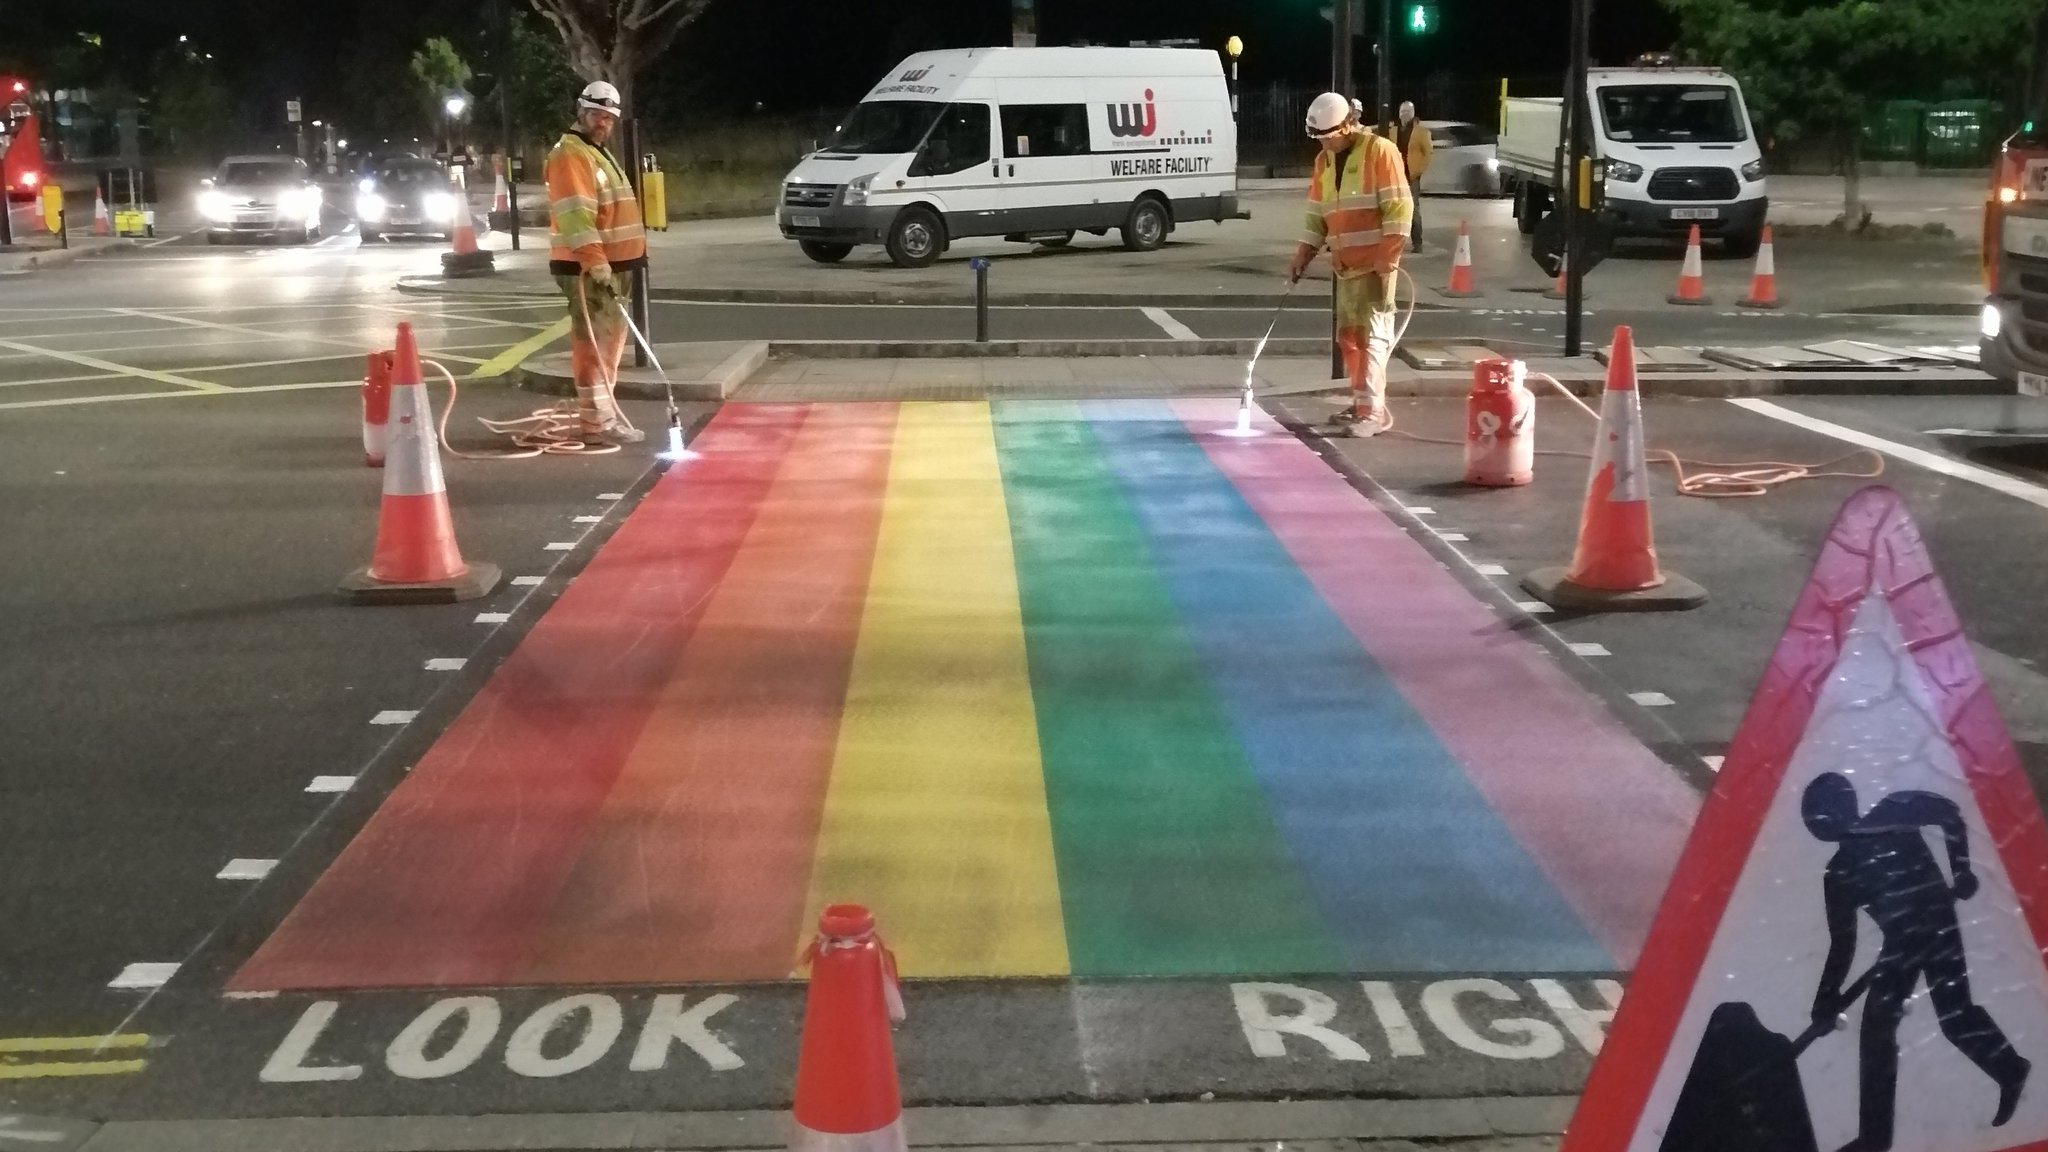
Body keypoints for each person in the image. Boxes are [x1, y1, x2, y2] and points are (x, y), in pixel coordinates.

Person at [1804, 772, 2030, 1152]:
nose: (1821, 826)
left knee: (1954, 1016)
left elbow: (1950, 813)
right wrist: (1826, 997)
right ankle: (1875, 1139)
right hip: (1901, 943)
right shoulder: (1838, 874)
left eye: (1822, 817)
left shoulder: (1894, 811)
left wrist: (1960, 868)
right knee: (1877, 1031)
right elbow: (1843, 942)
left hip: (1937, 922)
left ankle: (2011, 1069)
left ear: (1844, 809)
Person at [1288, 91, 1412, 438]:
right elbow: (1317, 214)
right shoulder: (1323, 163)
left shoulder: (1380, 152)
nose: (1324, 143)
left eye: (1328, 136)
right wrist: (1303, 252)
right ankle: (1361, 404)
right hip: (1345, 267)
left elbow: (1399, 208)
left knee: (1373, 338)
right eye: (1319, 137)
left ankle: (1374, 411)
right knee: (1350, 339)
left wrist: (1387, 254)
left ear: (1347, 126)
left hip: (1375, 266)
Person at [544, 79, 647, 445]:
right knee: (594, 346)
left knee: (608, 346)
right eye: (597, 115)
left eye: (609, 117)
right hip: (592, 269)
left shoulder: (595, 151)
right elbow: (576, 215)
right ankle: (596, 425)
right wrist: (596, 261)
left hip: (612, 266)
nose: (603, 122)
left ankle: (603, 418)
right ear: (581, 112)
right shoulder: (571, 153)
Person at [1393, 101, 1432, 252]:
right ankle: (1397, 243)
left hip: (1411, 176)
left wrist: (1417, 171)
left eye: (1408, 111)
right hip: (1395, 175)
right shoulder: (1393, 131)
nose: (1404, 114)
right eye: (1402, 111)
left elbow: (1428, 154)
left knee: (1413, 209)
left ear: (1413, 113)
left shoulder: (1421, 132)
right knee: (1395, 210)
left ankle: (1418, 243)